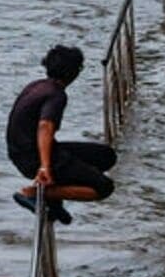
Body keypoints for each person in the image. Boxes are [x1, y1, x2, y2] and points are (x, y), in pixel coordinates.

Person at [8, 46, 116, 228]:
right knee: (104, 187)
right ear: (73, 72)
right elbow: (45, 126)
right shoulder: (56, 95)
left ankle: (53, 198)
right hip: (32, 157)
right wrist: (45, 167)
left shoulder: (36, 86)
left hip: (22, 152)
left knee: (106, 156)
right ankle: (35, 193)